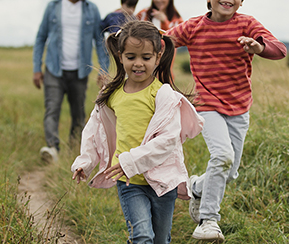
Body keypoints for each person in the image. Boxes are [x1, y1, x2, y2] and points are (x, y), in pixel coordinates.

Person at [166, 0, 287, 242]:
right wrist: (131, 37)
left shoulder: (247, 24)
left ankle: (196, 186)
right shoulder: (194, 27)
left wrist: (259, 46)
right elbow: (163, 41)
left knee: (229, 172)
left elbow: (279, 49)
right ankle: (208, 221)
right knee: (222, 157)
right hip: (207, 103)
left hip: (239, 107)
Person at [71, 21, 204, 244]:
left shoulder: (163, 95)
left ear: (158, 57)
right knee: (142, 235)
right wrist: (85, 161)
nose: (138, 64)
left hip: (163, 182)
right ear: (121, 56)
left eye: (146, 57)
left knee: (160, 240)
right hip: (129, 180)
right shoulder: (112, 95)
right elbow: (95, 130)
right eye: (131, 57)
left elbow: (168, 140)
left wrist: (130, 161)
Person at [33, 0, 110, 163]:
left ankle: (74, 149)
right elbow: (41, 37)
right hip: (54, 69)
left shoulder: (91, 10)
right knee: (52, 109)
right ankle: (52, 149)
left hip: (79, 71)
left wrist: (103, 70)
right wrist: (36, 68)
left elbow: (99, 41)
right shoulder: (53, 7)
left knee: (79, 113)